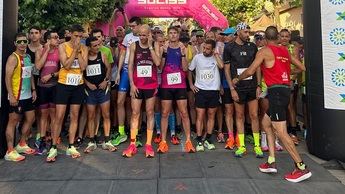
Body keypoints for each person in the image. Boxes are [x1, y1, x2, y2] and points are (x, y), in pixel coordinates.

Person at [233, 26, 311, 183]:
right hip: (284, 91)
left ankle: (301, 167)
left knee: (281, 132)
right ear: (277, 37)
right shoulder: (285, 51)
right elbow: (302, 67)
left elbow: (250, 71)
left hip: (275, 93)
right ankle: (271, 161)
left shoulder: (264, 51)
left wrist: (237, 79)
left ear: (265, 39)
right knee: (265, 123)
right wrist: (286, 72)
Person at [46, 24, 88, 162]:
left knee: (75, 115)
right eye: (76, 36)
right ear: (70, 34)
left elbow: (83, 67)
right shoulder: (63, 46)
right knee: (59, 116)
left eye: (80, 37)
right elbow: (66, 64)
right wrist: (75, 52)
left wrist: (79, 51)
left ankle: (71, 145)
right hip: (64, 84)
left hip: (78, 84)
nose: (78, 39)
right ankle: (53, 146)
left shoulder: (84, 48)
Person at [224, 22, 263, 158]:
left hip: (252, 86)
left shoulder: (252, 47)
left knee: (254, 116)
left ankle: (257, 146)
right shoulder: (229, 47)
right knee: (239, 116)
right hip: (238, 88)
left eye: (249, 32)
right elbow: (227, 70)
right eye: (245, 32)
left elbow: (257, 67)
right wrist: (231, 88)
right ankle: (241, 146)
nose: (248, 35)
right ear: (238, 32)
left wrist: (258, 85)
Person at [122, 25, 160, 158]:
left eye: (145, 35)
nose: (142, 37)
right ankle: (132, 143)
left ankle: (148, 144)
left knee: (150, 112)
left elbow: (158, 62)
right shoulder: (134, 46)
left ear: (149, 34)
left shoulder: (155, 45)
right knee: (135, 113)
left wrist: (150, 46)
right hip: (138, 85)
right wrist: (132, 84)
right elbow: (131, 65)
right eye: (140, 35)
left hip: (151, 85)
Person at [157, 26, 195, 154]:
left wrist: (183, 54)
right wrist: (164, 53)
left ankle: (188, 140)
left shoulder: (183, 48)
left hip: (180, 85)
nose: (173, 35)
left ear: (178, 35)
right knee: (165, 113)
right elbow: (160, 67)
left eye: (175, 33)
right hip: (166, 85)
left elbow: (185, 68)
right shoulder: (164, 48)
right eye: (171, 33)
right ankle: (163, 141)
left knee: (184, 112)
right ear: (168, 35)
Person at [4, 33, 37, 161]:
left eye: (24, 41)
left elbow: (31, 75)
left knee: (31, 118)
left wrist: (34, 89)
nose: (22, 44)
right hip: (16, 96)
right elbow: (8, 77)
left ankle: (22, 143)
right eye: (19, 42)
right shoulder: (13, 58)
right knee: (13, 122)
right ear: (15, 43)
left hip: (28, 95)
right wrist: (11, 96)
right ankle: (10, 151)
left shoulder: (28, 56)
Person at [82, 36, 116, 153]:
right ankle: (92, 141)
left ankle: (107, 140)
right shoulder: (84, 58)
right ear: (88, 47)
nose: (97, 47)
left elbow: (109, 68)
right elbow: (80, 72)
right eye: (94, 45)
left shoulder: (102, 55)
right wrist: (87, 83)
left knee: (106, 115)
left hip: (102, 89)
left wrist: (105, 81)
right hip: (90, 90)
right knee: (90, 116)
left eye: (98, 45)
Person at [188, 39, 224, 151]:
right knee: (200, 115)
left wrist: (216, 54)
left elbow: (222, 66)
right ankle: (199, 140)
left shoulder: (216, 57)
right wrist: (191, 85)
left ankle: (208, 139)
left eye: (208, 49)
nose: (205, 50)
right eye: (204, 48)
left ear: (213, 49)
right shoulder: (197, 57)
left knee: (211, 115)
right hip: (201, 90)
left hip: (213, 90)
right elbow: (190, 70)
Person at [112, 17, 142, 147]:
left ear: (140, 26)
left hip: (138, 70)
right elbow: (123, 54)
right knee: (120, 101)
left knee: (136, 105)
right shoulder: (127, 37)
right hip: (125, 69)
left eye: (134, 26)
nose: (131, 28)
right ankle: (121, 132)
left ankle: (136, 133)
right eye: (130, 26)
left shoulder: (144, 36)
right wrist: (118, 72)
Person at [34, 30, 60, 155]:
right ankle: (42, 140)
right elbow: (38, 67)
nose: (58, 39)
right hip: (42, 87)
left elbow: (64, 69)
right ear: (48, 40)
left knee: (53, 115)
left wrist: (51, 74)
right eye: (55, 37)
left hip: (54, 86)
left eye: (57, 37)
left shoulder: (59, 51)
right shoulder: (39, 51)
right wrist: (46, 50)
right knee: (43, 115)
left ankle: (53, 142)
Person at [279, 29, 301, 145]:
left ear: (289, 37)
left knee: (290, 106)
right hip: (277, 82)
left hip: (289, 81)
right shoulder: (276, 47)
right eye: (282, 36)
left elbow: (298, 67)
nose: (284, 38)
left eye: (286, 36)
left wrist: (290, 77)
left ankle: (293, 132)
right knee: (280, 107)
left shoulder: (293, 48)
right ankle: (283, 132)